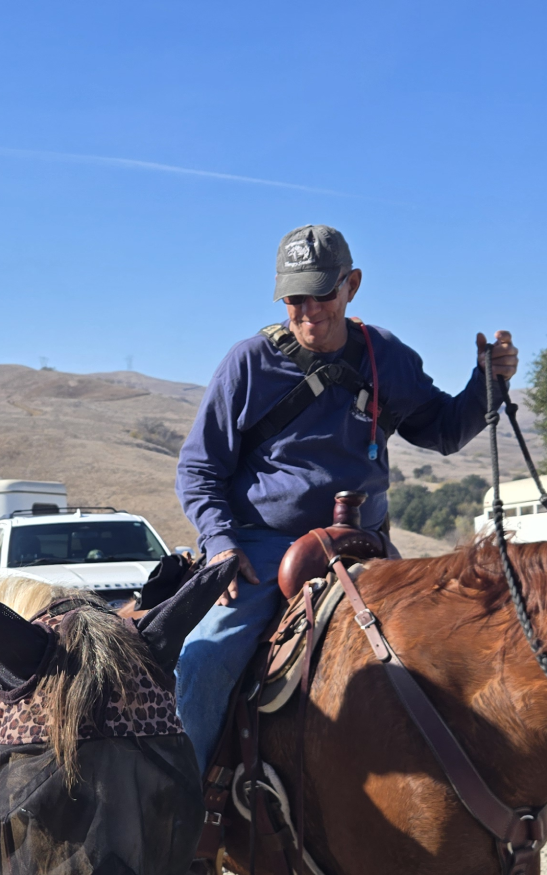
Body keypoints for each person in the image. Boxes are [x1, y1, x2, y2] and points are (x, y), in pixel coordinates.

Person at [173, 224, 519, 774]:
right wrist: (220, 545)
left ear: (351, 285)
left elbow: (443, 432)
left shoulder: (388, 358)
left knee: (450, 640)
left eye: (322, 294)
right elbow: (199, 469)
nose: (309, 311)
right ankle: (184, 816)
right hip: (264, 549)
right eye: (295, 298)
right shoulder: (248, 363)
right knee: (205, 656)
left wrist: (487, 385)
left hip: (365, 547)